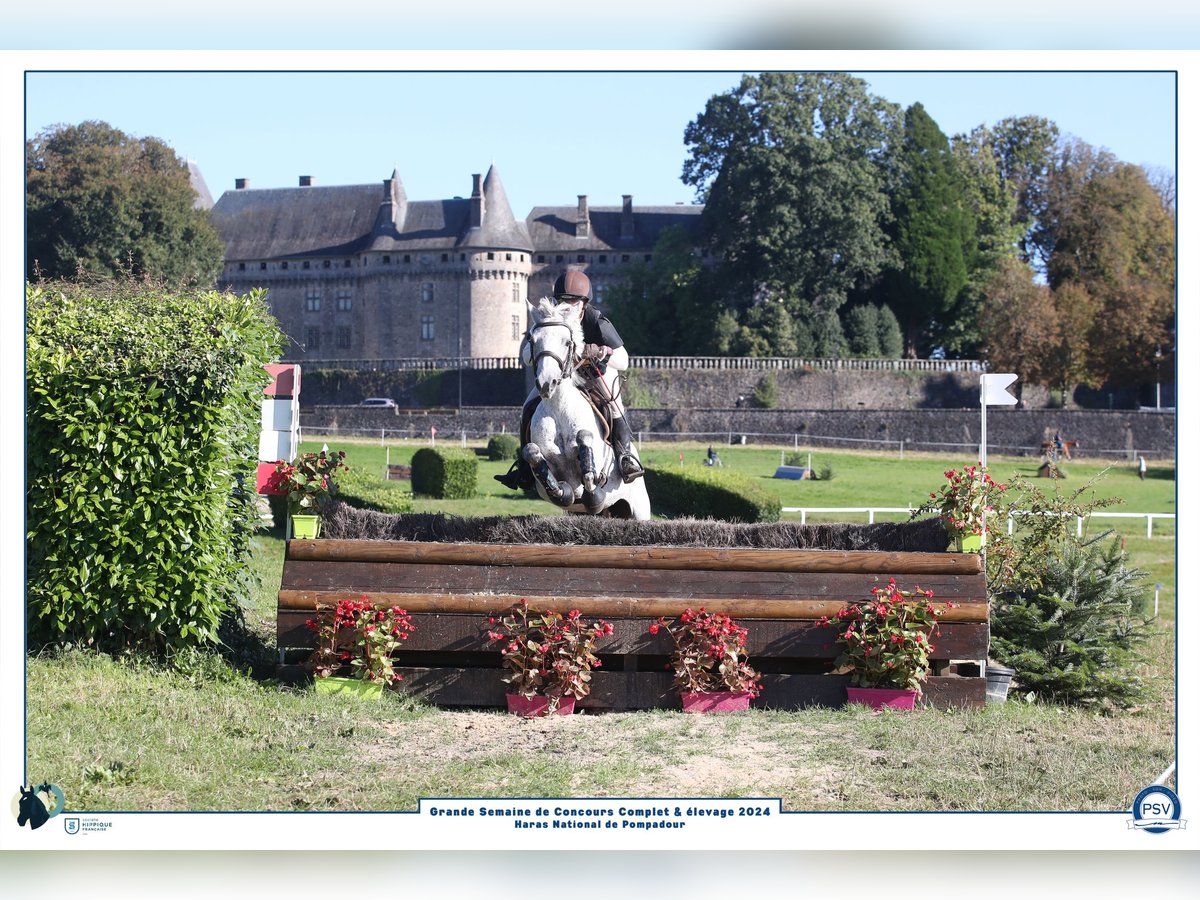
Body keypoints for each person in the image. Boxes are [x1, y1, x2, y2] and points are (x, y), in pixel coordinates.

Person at [496, 270, 644, 490]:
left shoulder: (597, 320)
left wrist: (603, 351)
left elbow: (624, 360)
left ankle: (625, 457)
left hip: (594, 374)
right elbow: (527, 356)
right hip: (559, 378)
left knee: (614, 406)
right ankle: (525, 469)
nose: (567, 305)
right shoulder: (548, 320)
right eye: (562, 300)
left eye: (573, 301)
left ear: (584, 303)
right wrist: (539, 348)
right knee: (527, 408)